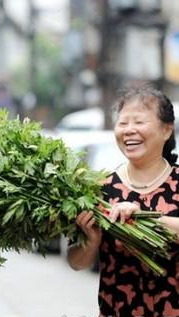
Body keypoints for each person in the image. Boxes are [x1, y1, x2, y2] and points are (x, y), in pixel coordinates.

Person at [67, 85, 179, 316]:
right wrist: (91, 240)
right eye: (123, 123)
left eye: (139, 122)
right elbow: (76, 263)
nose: (129, 130)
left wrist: (144, 219)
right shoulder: (99, 189)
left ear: (167, 130)